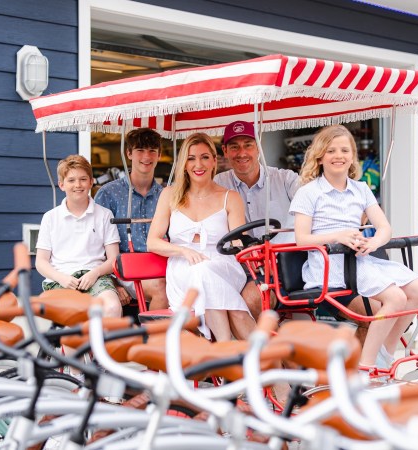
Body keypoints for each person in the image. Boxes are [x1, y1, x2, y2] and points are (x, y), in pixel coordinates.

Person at [289, 125, 418, 368]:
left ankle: (386, 351)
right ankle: (367, 366)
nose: (339, 155)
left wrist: (372, 242)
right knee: (395, 297)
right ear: (320, 157)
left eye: (345, 150)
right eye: (331, 150)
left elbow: (384, 228)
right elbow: (301, 239)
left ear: (353, 156)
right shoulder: (309, 192)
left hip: (358, 260)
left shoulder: (361, 189)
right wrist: (337, 236)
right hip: (328, 266)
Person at [147, 133, 256, 341]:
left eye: (205, 157)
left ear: (214, 161)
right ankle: (227, 349)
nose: (199, 164)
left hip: (223, 264)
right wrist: (183, 250)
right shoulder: (170, 195)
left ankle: (222, 348)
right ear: (184, 164)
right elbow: (153, 241)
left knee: (204, 271)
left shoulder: (230, 197)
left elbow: (237, 242)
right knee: (207, 278)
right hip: (182, 268)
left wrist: (242, 246)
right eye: (191, 158)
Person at [214, 120, 299, 319]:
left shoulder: (285, 179)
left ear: (258, 147)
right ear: (225, 151)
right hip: (241, 267)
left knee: (252, 299)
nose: (241, 153)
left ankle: (268, 345)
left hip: (284, 266)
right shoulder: (218, 184)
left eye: (248, 145)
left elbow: (316, 202)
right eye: (234, 147)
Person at [35, 155, 122, 318]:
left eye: (83, 179)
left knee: (112, 308)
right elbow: (41, 262)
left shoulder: (104, 215)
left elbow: (113, 260)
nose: (78, 185)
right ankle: (68, 344)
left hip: (95, 276)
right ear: (61, 185)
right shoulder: (50, 217)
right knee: (73, 315)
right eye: (71, 180)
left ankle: (102, 344)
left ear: (91, 182)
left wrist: (94, 273)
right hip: (61, 280)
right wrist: (61, 278)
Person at [94, 128, 168, 310]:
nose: (146, 156)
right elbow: (95, 245)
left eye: (152, 150)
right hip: (123, 269)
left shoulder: (167, 194)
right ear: (128, 153)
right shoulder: (108, 193)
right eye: (140, 150)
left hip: (162, 266)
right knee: (161, 288)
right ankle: (155, 338)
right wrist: (113, 283)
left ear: (159, 155)